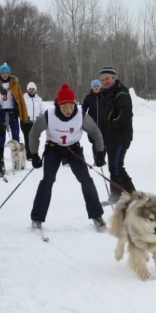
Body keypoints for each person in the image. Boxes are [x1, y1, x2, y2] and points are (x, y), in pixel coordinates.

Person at [28, 83, 107, 230]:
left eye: (71, 106)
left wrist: (100, 151)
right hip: (53, 149)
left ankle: (97, 215)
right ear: (58, 105)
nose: (68, 111)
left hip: (74, 150)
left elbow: (95, 132)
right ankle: (37, 218)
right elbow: (34, 133)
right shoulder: (48, 115)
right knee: (48, 180)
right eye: (64, 107)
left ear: (74, 103)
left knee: (86, 179)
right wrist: (34, 154)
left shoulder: (81, 115)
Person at [97, 67, 136, 205]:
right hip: (110, 137)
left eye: (107, 78)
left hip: (120, 136)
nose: (105, 82)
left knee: (116, 166)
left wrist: (111, 126)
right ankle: (132, 193)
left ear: (114, 78)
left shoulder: (121, 93)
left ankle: (116, 196)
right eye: (102, 80)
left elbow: (125, 114)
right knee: (116, 166)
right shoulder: (106, 94)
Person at [0, 62, 29, 160]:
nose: (5, 74)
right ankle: (0, 155)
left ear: (9, 74)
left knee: (15, 134)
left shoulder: (15, 84)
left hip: (13, 111)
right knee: (0, 134)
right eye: (3, 73)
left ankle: (18, 157)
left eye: (6, 73)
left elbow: (21, 100)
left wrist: (24, 115)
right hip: (1, 112)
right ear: (0, 74)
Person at [22, 82, 45, 160]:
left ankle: (35, 153)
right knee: (27, 138)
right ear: (28, 90)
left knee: (35, 138)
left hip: (36, 121)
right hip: (26, 121)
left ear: (35, 90)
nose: (31, 90)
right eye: (30, 89)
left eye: (33, 89)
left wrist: (41, 118)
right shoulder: (23, 98)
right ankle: (28, 155)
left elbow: (42, 111)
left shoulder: (39, 99)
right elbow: (21, 109)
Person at [81, 79, 103, 163]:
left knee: (102, 142)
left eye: (98, 86)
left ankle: (101, 159)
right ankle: (96, 159)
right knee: (94, 142)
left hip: (103, 123)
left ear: (100, 87)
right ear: (92, 88)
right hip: (91, 124)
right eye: (94, 86)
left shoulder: (104, 97)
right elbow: (83, 110)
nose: (96, 88)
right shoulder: (88, 98)